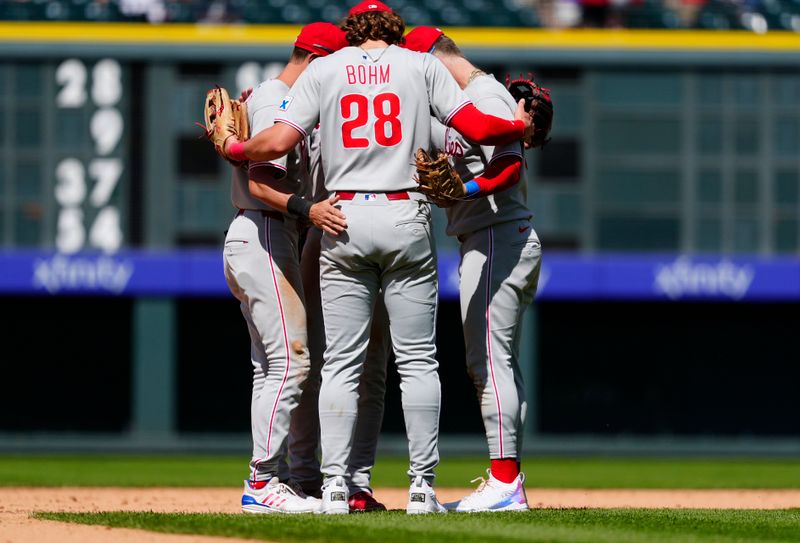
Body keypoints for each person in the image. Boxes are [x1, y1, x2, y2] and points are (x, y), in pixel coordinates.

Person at [217, 0, 534, 515]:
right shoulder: (422, 65)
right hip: (405, 211)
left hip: (341, 214)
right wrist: (517, 127)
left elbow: (275, 141)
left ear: (353, 30)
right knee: (417, 362)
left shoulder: (324, 69)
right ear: (393, 29)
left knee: (339, 363)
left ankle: (336, 485)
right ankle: (421, 488)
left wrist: (233, 149)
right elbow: (478, 128)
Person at [403, 27, 542, 513]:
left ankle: (506, 483)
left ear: (431, 60)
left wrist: (462, 192)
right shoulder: (461, 99)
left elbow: (510, 167)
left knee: (487, 361)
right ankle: (510, 479)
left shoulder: (485, 94)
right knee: (497, 361)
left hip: (497, 234)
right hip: (490, 235)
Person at [222, 22, 348, 515]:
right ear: (316, 61)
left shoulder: (280, 98)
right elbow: (260, 181)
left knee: (272, 367)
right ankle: (262, 481)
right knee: (293, 362)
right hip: (265, 231)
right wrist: (308, 209)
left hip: (263, 237)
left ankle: (291, 477)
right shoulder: (278, 100)